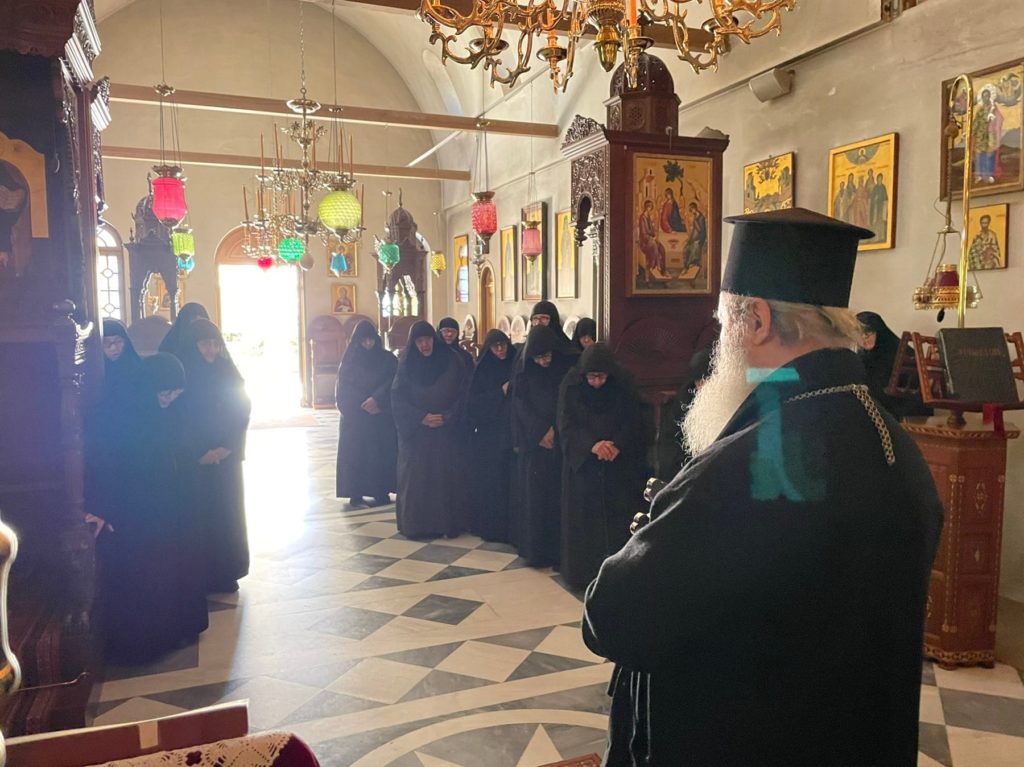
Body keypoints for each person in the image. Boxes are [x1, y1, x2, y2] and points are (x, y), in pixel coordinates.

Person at [583, 208, 944, 766]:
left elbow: (613, 619)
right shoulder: (894, 444)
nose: (721, 342)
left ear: (756, 319)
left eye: (723, 323)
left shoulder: (744, 466)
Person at [91, 353, 208, 663]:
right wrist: (108, 508)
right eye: (164, 393)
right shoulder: (123, 414)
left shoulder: (176, 412)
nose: (169, 400)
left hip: (175, 508)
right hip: (139, 510)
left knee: (175, 572)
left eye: (176, 393)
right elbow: (110, 466)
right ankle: (148, 642)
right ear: (148, 387)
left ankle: (177, 629)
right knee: (147, 576)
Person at [557, 344, 643, 589]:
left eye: (602, 377)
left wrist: (617, 444)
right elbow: (566, 424)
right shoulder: (571, 385)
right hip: (583, 466)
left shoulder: (624, 383)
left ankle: (617, 573)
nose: (596, 383)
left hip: (616, 463)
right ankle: (583, 575)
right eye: (592, 377)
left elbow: (633, 420)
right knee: (584, 523)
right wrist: (592, 445)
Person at [179, 318, 252, 593]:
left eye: (215, 344)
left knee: (227, 514)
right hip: (196, 461)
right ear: (193, 346)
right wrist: (199, 452)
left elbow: (241, 411)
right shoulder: (184, 375)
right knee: (201, 516)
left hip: (226, 459)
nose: (210, 350)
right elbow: (180, 419)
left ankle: (228, 570)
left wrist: (228, 447)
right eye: (204, 344)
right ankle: (201, 574)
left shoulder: (228, 373)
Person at [391, 320, 470, 539]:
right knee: (416, 478)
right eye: (419, 341)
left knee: (444, 478)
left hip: (445, 430)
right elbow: (397, 398)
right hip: (416, 433)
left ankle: (446, 524)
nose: (424, 345)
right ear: (413, 343)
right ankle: (416, 526)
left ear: (434, 339)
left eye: (427, 340)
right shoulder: (406, 364)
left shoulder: (452, 360)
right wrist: (421, 418)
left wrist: (447, 417)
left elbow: (463, 393)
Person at [510, 325, 578, 567]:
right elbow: (520, 406)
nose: (544, 361)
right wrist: (539, 431)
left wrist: (555, 431)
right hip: (534, 445)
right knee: (535, 499)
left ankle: (557, 552)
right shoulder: (524, 373)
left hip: (559, 442)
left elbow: (569, 404)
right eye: (538, 357)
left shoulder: (565, 370)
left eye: (547, 355)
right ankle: (536, 552)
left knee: (557, 499)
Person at [335, 320, 398, 508]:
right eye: (364, 340)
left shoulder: (387, 359)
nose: (368, 344)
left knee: (380, 455)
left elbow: (393, 381)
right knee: (357, 456)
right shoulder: (349, 360)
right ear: (357, 341)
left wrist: (377, 400)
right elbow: (344, 388)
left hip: (380, 415)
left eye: (371, 340)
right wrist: (364, 404)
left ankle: (381, 490)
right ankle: (355, 493)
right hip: (356, 417)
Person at [466, 329, 518, 542]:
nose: (500, 350)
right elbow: (474, 404)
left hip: (512, 433)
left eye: (503, 345)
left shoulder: (515, 364)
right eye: (495, 346)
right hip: (489, 436)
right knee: (492, 483)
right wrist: (499, 393)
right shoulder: (482, 370)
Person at [857, 311, 932, 420]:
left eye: (867, 333)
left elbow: (912, 391)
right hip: (881, 408)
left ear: (879, 332)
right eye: (859, 334)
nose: (863, 338)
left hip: (905, 410)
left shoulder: (900, 351)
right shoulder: (865, 354)